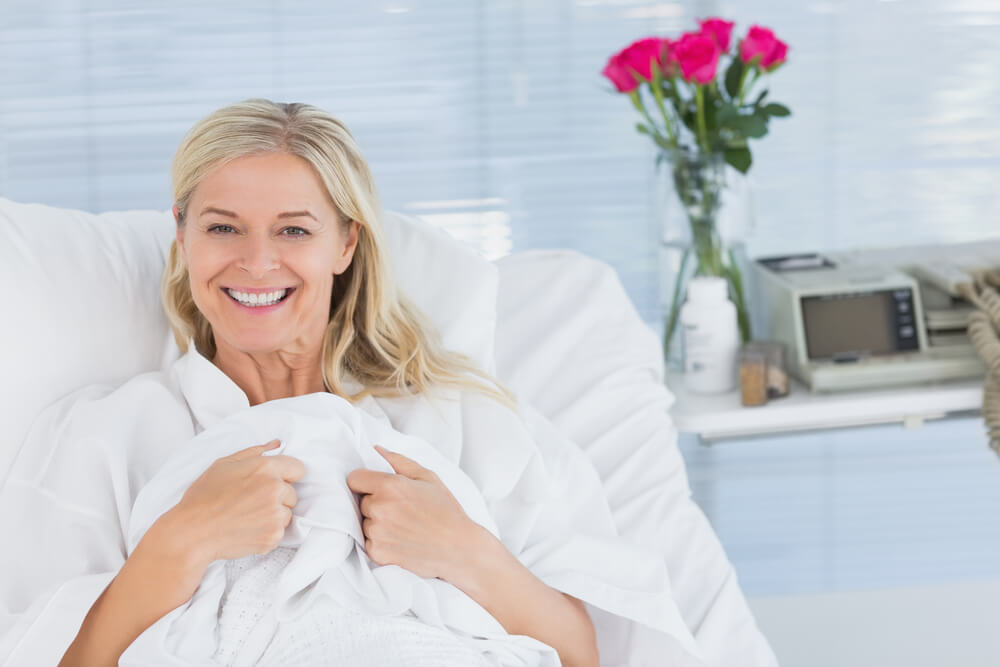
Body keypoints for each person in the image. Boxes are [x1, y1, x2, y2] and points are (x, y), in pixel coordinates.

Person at [55, 99, 600, 666]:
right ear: (183, 236)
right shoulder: (107, 435)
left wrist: (463, 551)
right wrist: (182, 541)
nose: (258, 262)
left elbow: (580, 653)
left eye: (293, 230)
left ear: (345, 244)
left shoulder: (458, 416)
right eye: (223, 227)